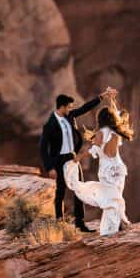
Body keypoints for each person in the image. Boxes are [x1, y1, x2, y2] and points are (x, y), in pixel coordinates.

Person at [39, 87, 118, 232]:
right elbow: (43, 148)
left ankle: (80, 223)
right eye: (68, 107)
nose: (70, 109)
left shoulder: (70, 116)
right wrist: (49, 167)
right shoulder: (49, 125)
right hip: (59, 160)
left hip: (72, 157)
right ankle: (59, 223)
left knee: (79, 188)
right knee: (61, 191)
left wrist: (102, 97)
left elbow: (85, 108)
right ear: (61, 107)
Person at [63, 96, 134, 236]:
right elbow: (117, 113)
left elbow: (92, 151)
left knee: (109, 200)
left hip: (107, 170)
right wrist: (112, 101)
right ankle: (119, 224)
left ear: (100, 120)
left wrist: (78, 158)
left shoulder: (100, 133)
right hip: (119, 169)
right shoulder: (116, 132)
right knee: (116, 196)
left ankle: (110, 230)